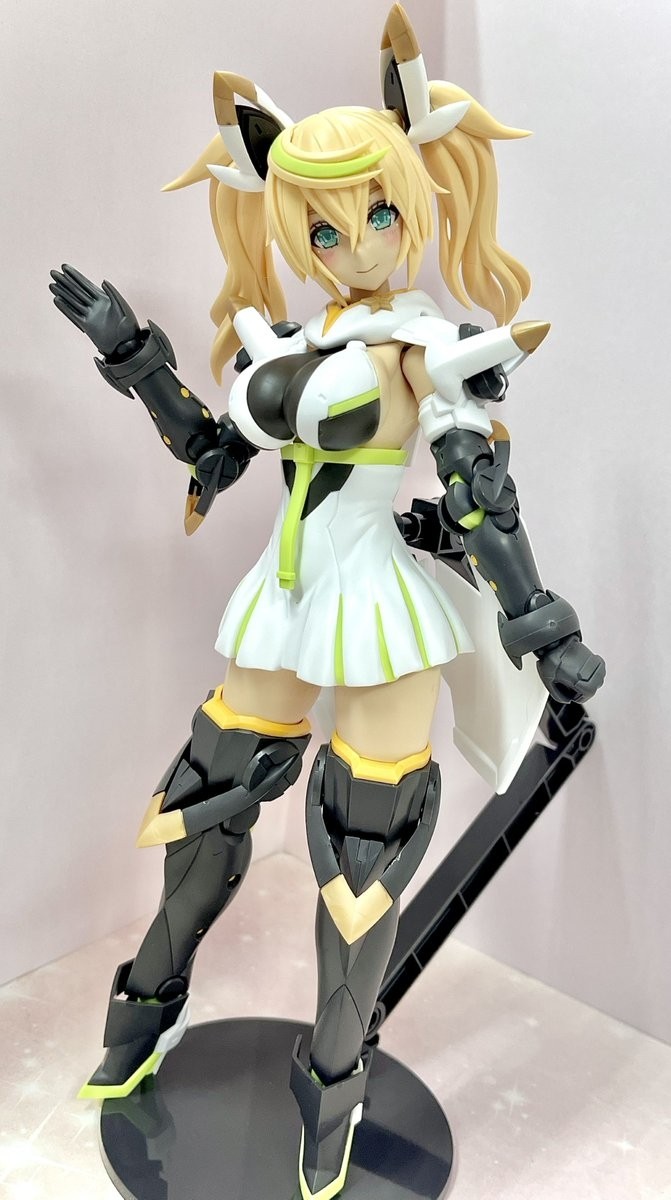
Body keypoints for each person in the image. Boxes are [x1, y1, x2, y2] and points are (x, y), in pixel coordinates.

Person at [50, 7, 604, 1198]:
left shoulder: (427, 348)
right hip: (284, 599)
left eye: (375, 214)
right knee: (203, 803)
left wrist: (539, 624)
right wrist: (136, 357)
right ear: (288, 224)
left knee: (361, 860)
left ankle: (332, 1085)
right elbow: (214, 452)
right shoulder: (285, 341)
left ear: (414, 204)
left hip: (379, 611)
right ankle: (148, 1007)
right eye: (321, 223)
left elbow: (477, 497)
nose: (351, 241)